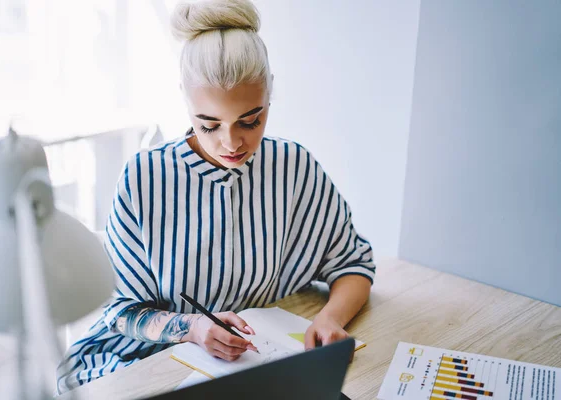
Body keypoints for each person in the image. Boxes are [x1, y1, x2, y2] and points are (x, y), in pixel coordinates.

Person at [56, 0, 375, 393]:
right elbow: (119, 311)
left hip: (257, 360)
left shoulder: (294, 167)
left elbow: (354, 263)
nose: (231, 143)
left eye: (251, 120)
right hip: (140, 357)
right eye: (208, 125)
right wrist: (191, 327)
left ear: (270, 93)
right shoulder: (144, 177)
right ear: (185, 102)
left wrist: (330, 318)